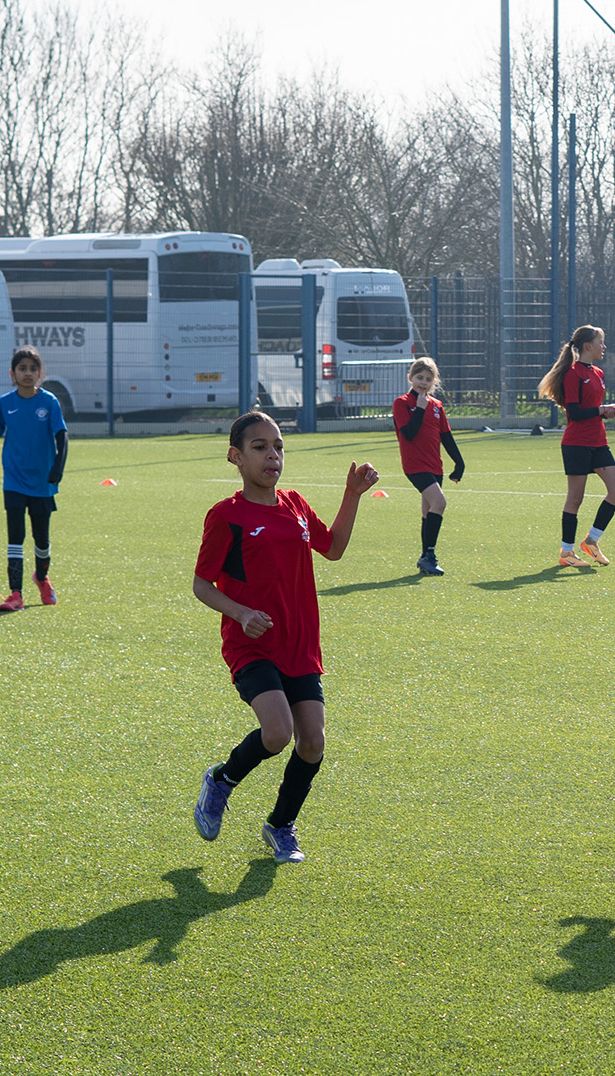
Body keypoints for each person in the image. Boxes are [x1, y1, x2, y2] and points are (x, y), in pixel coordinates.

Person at [189, 411, 380, 864]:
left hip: (300, 644)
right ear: (235, 457)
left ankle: (279, 826)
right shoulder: (226, 516)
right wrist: (240, 612)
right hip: (251, 645)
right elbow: (201, 584)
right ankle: (221, 780)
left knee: (311, 742)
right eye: (260, 447)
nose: (272, 455)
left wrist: (352, 495)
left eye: (277, 447)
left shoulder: (294, 503)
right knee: (277, 732)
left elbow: (331, 548)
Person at [0, 348, 69, 611]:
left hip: (42, 482)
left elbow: (62, 437)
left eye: (33, 369)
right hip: (13, 481)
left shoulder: (49, 402)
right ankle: (16, 594)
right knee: (15, 536)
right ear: (12, 374)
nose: (28, 373)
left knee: (41, 540)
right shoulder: (5, 403)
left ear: (40, 373)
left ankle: (42, 577)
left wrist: (58, 467)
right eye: (22, 368)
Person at [536, 325, 615, 568]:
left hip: (598, 441)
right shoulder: (572, 374)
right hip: (576, 443)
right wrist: (601, 410)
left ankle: (592, 541)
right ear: (588, 346)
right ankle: (566, 552)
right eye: (600, 342)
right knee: (575, 498)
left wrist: (606, 412)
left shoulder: (597, 372)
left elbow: (592, 409)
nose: (603, 347)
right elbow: (574, 412)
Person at [391, 357, 467, 576]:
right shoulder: (402, 403)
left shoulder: (437, 406)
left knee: (428, 511)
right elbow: (408, 433)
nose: (423, 382)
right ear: (410, 378)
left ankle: (425, 557)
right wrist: (420, 408)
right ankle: (430, 555)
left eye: (428, 379)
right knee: (440, 502)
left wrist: (459, 463)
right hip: (415, 465)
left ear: (434, 381)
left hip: (435, 465)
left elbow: (446, 436)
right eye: (419, 377)